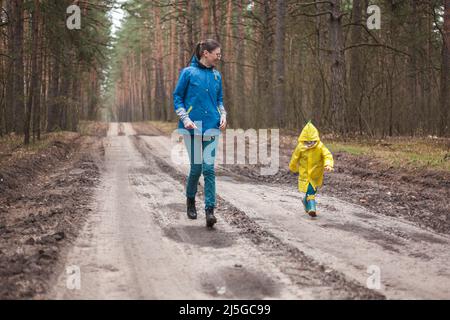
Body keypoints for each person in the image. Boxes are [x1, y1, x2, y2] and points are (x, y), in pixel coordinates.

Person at [173, 39, 227, 228]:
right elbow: (177, 97)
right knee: (196, 168)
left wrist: (223, 115)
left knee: (209, 168)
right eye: (217, 54)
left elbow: (219, 99)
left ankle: (210, 210)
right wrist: (185, 119)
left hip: (212, 125)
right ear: (206, 53)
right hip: (192, 127)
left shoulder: (216, 76)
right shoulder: (188, 73)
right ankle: (190, 201)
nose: (219, 57)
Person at [289, 121, 334, 218]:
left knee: (313, 190)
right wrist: (292, 167)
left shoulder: (320, 147)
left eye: (311, 141)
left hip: (316, 173)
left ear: (315, 139)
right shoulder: (300, 147)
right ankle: (312, 208)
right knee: (310, 189)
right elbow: (295, 158)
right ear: (303, 140)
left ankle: (305, 201)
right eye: (306, 142)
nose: (309, 144)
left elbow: (327, 155)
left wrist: (328, 164)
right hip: (305, 173)